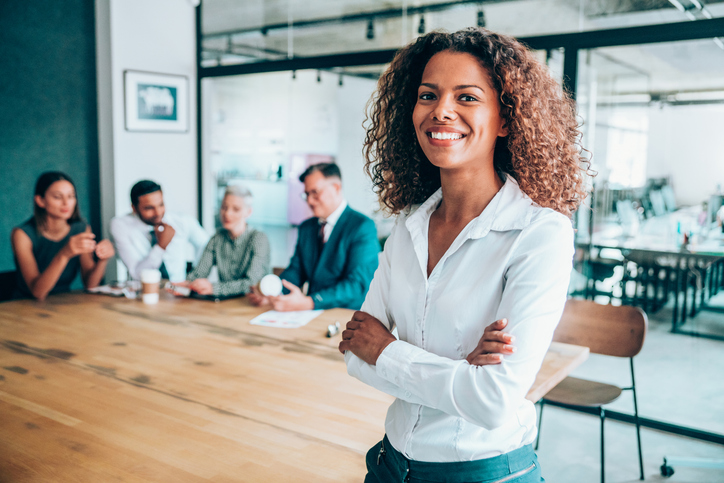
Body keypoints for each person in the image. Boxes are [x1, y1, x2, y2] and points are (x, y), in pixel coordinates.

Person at [338, 28, 590, 483]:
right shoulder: (409, 224)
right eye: (428, 95)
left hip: (483, 473)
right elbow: (355, 352)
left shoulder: (539, 234)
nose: (441, 111)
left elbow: (492, 401)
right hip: (389, 466)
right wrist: (457, 375)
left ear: (506, 118)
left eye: (467, 97)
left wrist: (388, 350)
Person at [248, 162, 380, 311]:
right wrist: (272, 292)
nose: (310, 201)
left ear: (336, 187)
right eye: (307, 194)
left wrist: (309, 302)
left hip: (347, 314)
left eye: (315, 192)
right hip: (309, 313)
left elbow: (357, 284)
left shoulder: (362, 226)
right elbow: (296, 271)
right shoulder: (306, 227)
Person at [12, 171, 115, 300]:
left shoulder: (81, 228)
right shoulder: (22, 234)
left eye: (71, 196)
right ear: (40, 201)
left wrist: (103, 260)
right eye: (57, 197)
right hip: (23, 305)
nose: (66, 203)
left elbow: (90, 285)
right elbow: (37, 293)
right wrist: (64, 254)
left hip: (63, 302)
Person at [174, 185, 270, 297]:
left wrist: (213, 288)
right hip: (226, 305)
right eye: (224, 207)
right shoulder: (217, 238)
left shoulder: (259, 239)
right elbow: (199, 273)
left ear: (248, 212)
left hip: (255, 304)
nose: (227, 213)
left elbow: (252, 283)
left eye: (236, 209)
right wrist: (187, 284)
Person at [110, 180, 209, 282]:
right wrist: (161, 246)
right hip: (142, 291)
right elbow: (136, 273)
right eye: (149, 208)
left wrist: (195, 276)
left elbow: (207, 246)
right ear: (134, 208)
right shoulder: (121, 225)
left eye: (161, 205)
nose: (158, 213)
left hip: (179, 290)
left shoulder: (182, 221)